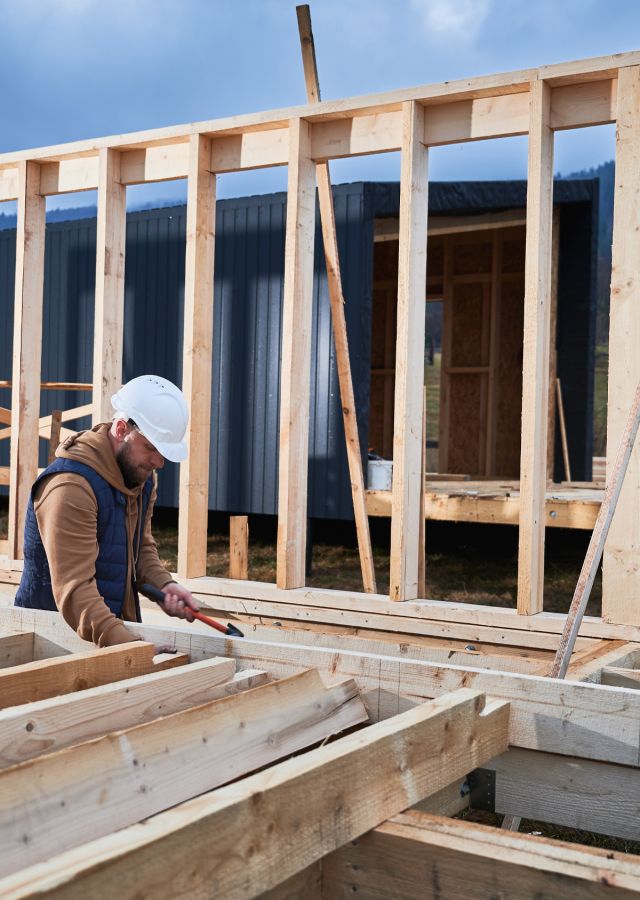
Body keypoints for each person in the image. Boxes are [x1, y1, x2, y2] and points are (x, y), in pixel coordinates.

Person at [14, 374, 199, 646]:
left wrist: (165, 585)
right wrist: (131, 649)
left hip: (107, 634)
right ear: (122, 429)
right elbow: (76, 592)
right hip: (53, 640)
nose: (159, 462)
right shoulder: (70, 487)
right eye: (151, 448)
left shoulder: (140, 476)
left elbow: (140, 547)